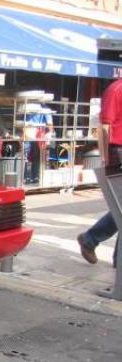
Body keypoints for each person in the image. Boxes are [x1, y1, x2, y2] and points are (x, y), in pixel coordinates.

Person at [77, 79, 122, 266]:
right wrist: (104, 157)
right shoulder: (117, 89)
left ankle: (96, 242)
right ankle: (91, 239)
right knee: (120, 207)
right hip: (118, 150)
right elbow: (105, 126)